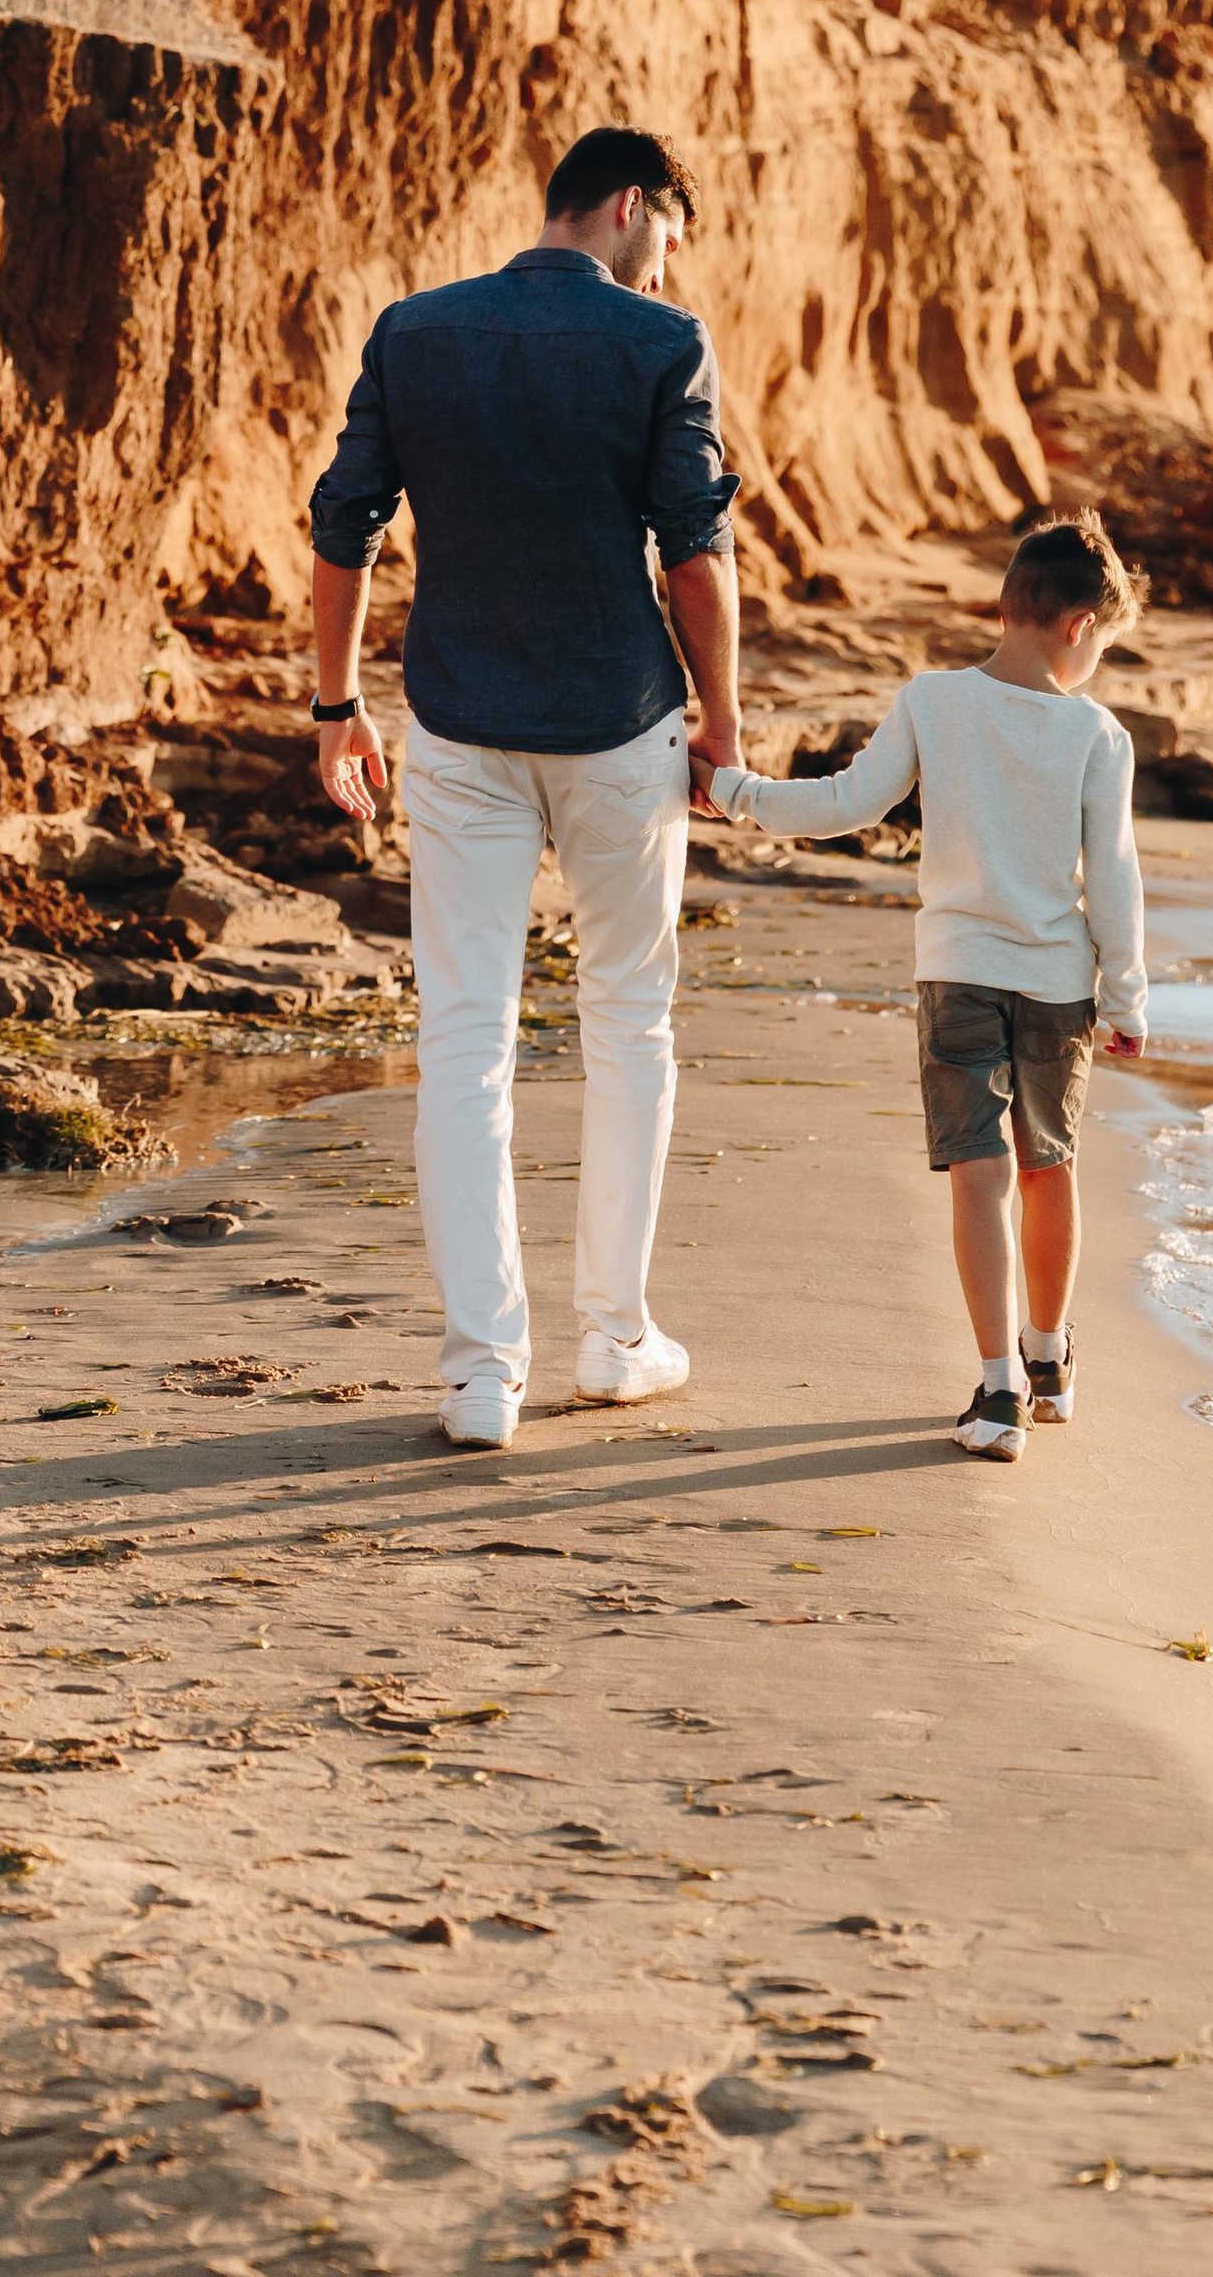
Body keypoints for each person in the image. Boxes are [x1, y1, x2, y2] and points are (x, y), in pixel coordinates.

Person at [307, 127, 742, 1452]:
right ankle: (615, 1339)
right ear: (631, 206)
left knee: (463, 1043)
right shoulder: (662, 342)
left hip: (459, 723)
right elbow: (694, 554)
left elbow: (345, 519)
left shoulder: (415, 331)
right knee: (630, 1028)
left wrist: (335, 706)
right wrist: (722, 722)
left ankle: (481, 1375)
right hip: (619, 726)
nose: (666, 266)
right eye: (669, 237)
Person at [695, 513, 1147, 1463]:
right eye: (1103, 645)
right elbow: (1114, 878)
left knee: (979, 1174)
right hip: (1058, 985)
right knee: (1050, 1165)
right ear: (1079, 627)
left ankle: (999, 1388)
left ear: (1004, 605)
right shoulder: (1097, 735)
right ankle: (1050, 1357)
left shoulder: (933, 702)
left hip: (958, 975)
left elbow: (846, 803)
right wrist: (1127, 999)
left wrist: (736, 791)